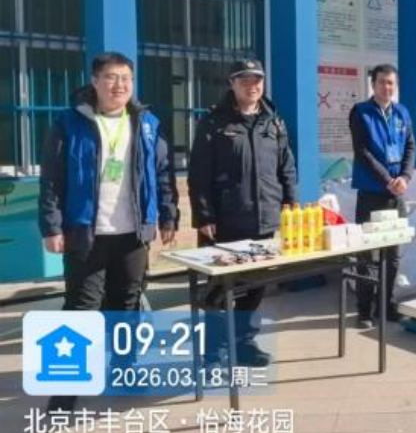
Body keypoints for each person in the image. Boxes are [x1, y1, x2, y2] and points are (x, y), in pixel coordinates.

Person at [39, 52, 179, 412]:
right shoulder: (70, 122)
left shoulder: (146, 122)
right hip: (86, 232)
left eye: (126, 79)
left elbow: (162, 173)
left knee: (126, 305)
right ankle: (65, 387)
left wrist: (167, 216)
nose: (120, 85)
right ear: (95, 81)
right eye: (111, 78)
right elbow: (52, 179)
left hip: (132, 233)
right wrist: (51, 226)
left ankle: (124, 370)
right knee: (80, 308)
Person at [188, 59, 297, 366]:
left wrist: (290, 202)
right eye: (245, 80)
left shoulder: (273, 121)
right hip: (225, 220)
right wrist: (204, 216)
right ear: (232, 84)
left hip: (264, 219)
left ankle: (243, 343)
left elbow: (286, 166)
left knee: (254, 286)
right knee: (218, 291)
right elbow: (199, 173)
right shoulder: (214, 122)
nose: (253, 86)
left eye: (257, 80)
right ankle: (213, 351)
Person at [349, 64, 415, 328]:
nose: (387, 87)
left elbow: (410, 146)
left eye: (391, 83)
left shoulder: (402, 112)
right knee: (367, 255)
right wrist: (387, 180)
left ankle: (385, 306)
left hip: (396, 193)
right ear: (373, 84)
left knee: (393, 255)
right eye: (382, 82)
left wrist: (405, 177)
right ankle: (364, 311)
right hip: (371, 193)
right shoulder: (360, 112)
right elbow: (362, 152)